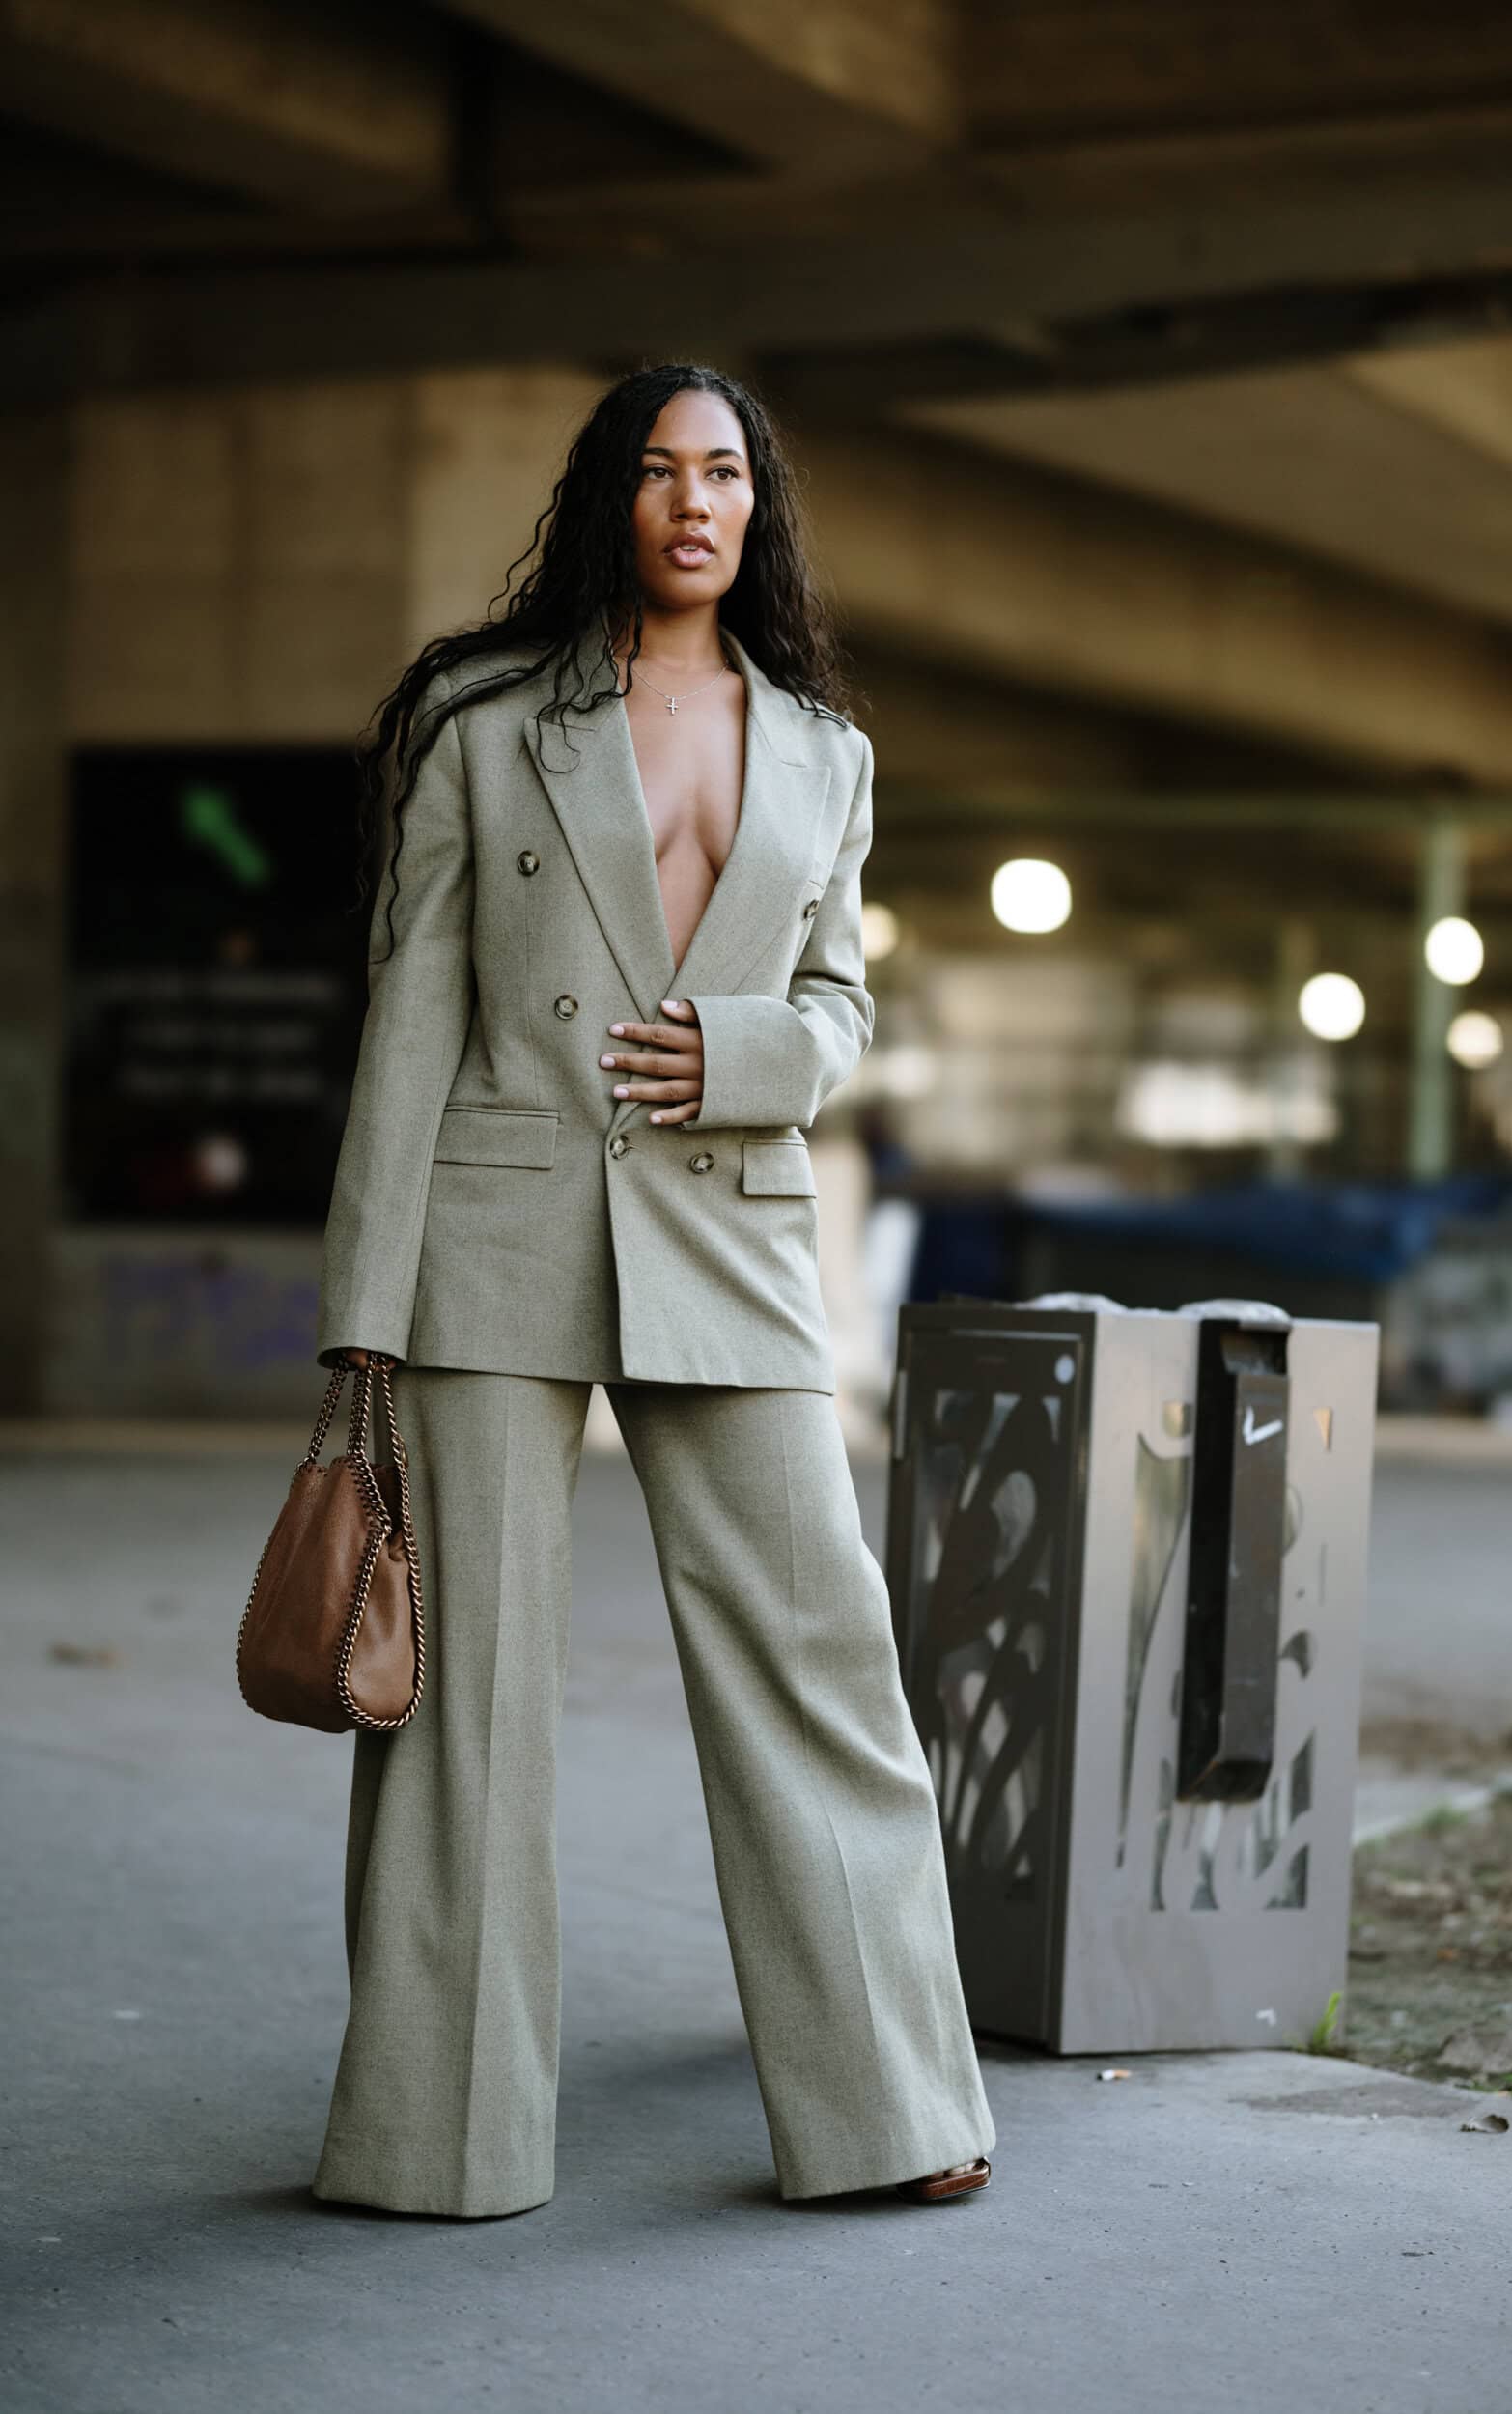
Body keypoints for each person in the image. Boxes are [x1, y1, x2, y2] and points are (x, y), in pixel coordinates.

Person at [312, 361, 994, 2217]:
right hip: (495, 1232)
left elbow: (846, 1004)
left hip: (731, 1232)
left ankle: (892, 2113)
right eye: (657, 470)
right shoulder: (483, 725)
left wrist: (753, 1051)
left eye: (726, 474)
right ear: (608, 495)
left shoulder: (829, 753)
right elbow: (414, 1023)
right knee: (464, 1706)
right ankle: (434, 2142)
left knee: (823, 1658)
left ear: (759, 509)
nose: (693, 502)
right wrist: (361, 1315)